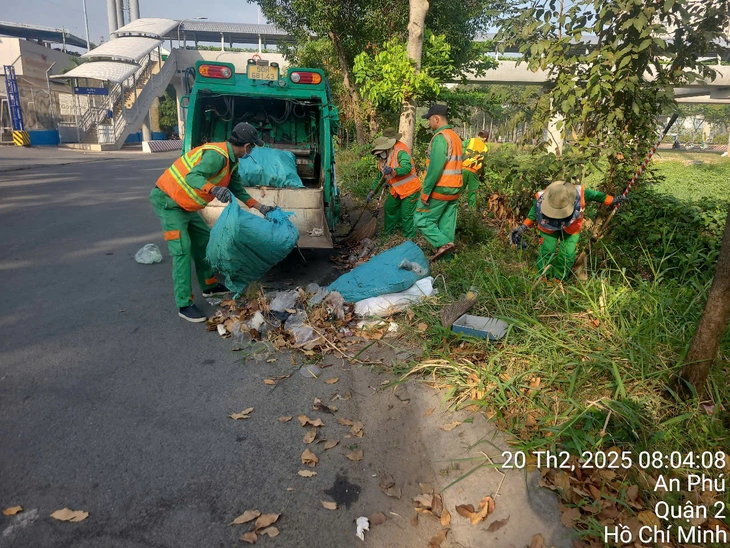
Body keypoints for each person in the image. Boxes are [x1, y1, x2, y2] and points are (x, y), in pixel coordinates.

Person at [150, 122, 275, 322]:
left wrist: (261, 207)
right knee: (182, 249)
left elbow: (238, 189)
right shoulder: (217, 156)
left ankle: (209, 286)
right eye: (251, 146)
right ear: (245, 145)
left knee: (204, 241)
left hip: (186, 206)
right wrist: (214, 189)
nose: (250, 150)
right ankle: (184, 304)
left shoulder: (231, 161)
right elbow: (193, 176)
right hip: (169, 201)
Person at [510, 180, 627, 280]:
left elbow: (598, 196)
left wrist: (613, 200)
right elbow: (532, 215)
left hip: (571, 226)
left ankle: (559, 278)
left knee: (568, 253)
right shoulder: (541, 197)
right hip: (548, 225)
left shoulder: (580, 193)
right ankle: (543, 276)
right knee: (547, 250)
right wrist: (523, 227)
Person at [414, 104, 464, 260]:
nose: (429, 123)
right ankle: (446, 258)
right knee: (446, 223)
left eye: (429, 120)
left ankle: (443, 243)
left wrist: (426, 192)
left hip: (441, 188)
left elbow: (435, 169)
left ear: (436, 118)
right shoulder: (455, 137)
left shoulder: (440, 138)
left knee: (420, 218)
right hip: (455, 188)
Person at [367, 130, 420, 238]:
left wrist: (393, 171)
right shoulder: (382, 161)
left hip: (410, 189)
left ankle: (408, 238)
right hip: (397, 190)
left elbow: (407, 168)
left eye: (381, 152)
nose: (380, 156)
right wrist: (373, 191)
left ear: (387, 149)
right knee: (389, 208)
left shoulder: (400, 152)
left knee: (406, 215)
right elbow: (379, 178)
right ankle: (388, 234)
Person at [462, 130, 489, 209]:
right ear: (485, 138)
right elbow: (482, 163)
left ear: (478, 135)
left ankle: (455, 209)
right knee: (472, 193)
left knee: (458, 190)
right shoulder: (485, 148)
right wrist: (482, 174)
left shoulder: (470, 141)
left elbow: (461, 151)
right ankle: (472, 213)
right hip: (474, 172)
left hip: (463, 169)